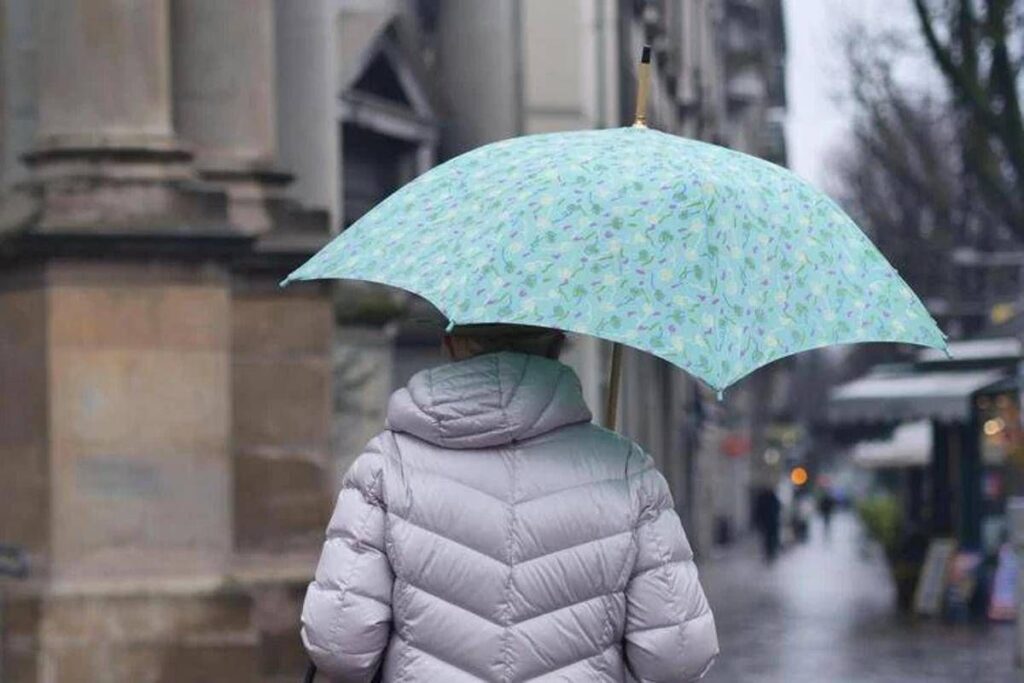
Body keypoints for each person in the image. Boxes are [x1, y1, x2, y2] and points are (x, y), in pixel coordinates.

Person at [301, 324, 718, 682]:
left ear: (451, 344)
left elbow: (339, 642)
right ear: (558, 345)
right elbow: (679, 656)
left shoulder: (385, 466)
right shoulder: (627, 471)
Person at [753, 486, 781, 563]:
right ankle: (771, 552)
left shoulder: (763, 499)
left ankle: (770, 552)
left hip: (767, 522)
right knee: (770, 538)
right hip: (771, 522)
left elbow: (758, 511)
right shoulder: (773, 498)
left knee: (768, 538)